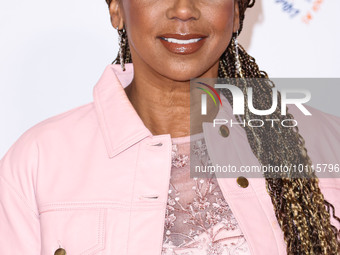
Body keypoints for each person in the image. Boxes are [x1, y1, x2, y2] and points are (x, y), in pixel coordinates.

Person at [0, 0, 339, 254]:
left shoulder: (325, 143)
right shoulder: (38, 162)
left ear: (236, 11)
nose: (183, 9)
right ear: (116, 7)